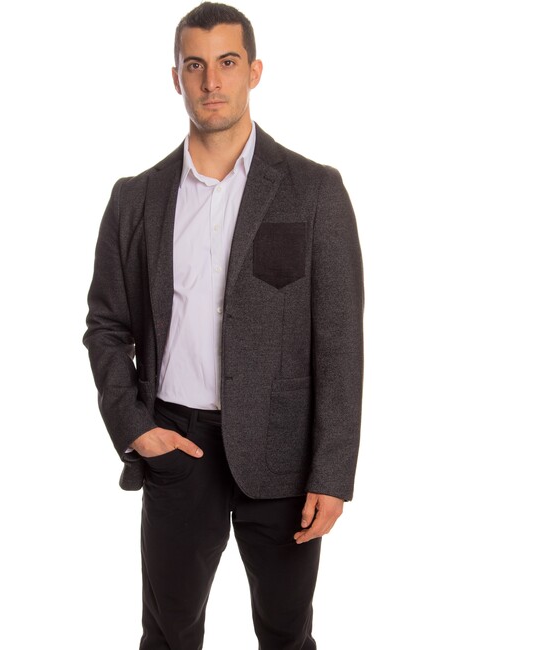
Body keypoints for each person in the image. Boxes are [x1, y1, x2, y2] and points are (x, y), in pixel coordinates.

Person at [82, 2, 364, 648]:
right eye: (195, 65)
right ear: (176, 78)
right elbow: (106, 325)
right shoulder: (135, 198)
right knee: (168, 634)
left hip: (285, 455)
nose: (212, 81)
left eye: (228, 63)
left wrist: (332, 472)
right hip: (176, 448)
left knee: (286, 634)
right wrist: (134, 426)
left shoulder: (314, 191)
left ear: (254, 72)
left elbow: (340, 343)